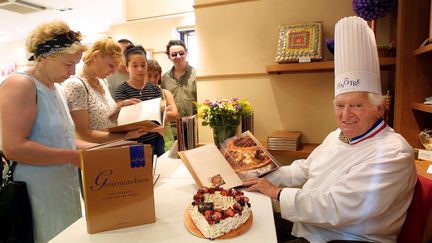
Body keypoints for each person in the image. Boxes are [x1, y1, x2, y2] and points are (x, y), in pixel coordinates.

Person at [243, 16, 418, 243]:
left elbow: (339, 206)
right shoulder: (337, 136)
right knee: (248, 224)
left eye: (356, 105)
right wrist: (256, 173)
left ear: (380, 108)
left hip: (347, 238)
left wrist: (275, 192)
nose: (346, 115)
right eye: (339, 106)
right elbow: (303, 170)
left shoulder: (393, 152)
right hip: (309, 225)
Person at [0, 21, 97, 243]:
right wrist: (74, 157)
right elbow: (14, 148)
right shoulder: (21, 84)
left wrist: (104, 150)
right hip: (36, 189)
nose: (72, 72)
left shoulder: (58, 89)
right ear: (44, 57)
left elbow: (62, 140)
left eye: (75, 65)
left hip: (63, 182)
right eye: (67, 65)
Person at [63, 37, 146, 143]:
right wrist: (124, 136)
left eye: (115, 67)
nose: (113, 72)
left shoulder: (102, 81)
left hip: (110, 146)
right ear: (95, 57)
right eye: (111, 65)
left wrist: (122, 105)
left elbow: (106, 116)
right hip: (95, 152)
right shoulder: (76, 85)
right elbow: (83, 134)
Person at [114, 45, 178, 156]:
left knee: (160, 170)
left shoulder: (154, 89)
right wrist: (152, 121)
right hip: (134, 143)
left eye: (143, 65)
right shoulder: (121, 90)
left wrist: (157, 117)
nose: (140, 69)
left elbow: (161, 118)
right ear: (126, 68)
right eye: (134, 66)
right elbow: (121, 121)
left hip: (157, 141)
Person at [161, 39, 196, 137]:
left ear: (186, 53)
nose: (178, 57)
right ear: (169, 56)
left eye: (181, 53)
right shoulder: (164, 78)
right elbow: (163, 101)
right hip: (173, 129)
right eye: (174, 54)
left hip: (192, 127)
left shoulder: (196, 75)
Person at [148, 59, 176, 151]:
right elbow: (140, 120)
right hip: (147, 139)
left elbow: (174, 115)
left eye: (156, 76)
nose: (152, 80)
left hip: (167, 137)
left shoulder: (166, 93)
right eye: (149, 76)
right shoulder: (139, 94)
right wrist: (163, 111)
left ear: (160, 75)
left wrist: (150, 114)